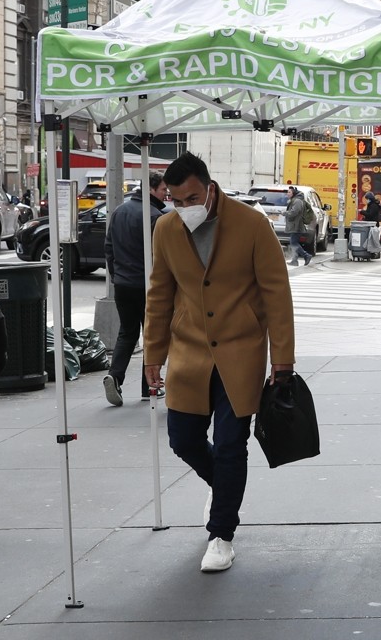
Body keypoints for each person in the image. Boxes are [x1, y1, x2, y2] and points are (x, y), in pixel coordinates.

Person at [144, 152, 295, 573]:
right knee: (183, 440)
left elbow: (276, 294)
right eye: (176, 200)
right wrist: (152, 352)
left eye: (191, 197)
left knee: (232, 447)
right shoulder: (166, 229)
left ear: (210, 188)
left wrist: (282, 361)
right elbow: (159, 293)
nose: (184, 207)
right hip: (189, 353)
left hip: (241, 353)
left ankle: (222, 533)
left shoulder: (252, 224)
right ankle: (222, 486)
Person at [102, 172, 169, 406]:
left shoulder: (119, 211)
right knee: (151, 334)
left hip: (122, 284)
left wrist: (116, 274)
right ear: (151, 189)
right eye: (163, 190)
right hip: (147, 286)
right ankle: (148, 386)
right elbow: (161, 255)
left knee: (127, 332)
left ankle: (115, 376)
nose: (165, 194)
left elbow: (108, 247)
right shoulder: (155, 217)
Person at [283, 186, 312, 266]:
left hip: (297, 226)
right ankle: (295, 260)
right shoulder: (294, 200)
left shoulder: (297, 201)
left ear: (293, 193)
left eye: (289, 192)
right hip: (294, 225)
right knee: (293, 243)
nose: (287, 194)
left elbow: (294, 212)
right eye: (287, 192)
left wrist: (285, 213)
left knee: (293, 243)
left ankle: (306, 255)